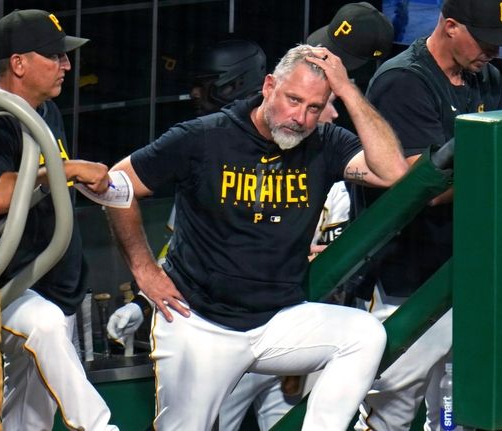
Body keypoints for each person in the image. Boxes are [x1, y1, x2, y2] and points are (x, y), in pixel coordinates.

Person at [105, 44, 409, 430]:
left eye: (314, 107)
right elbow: (117, 185)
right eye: (293, 99)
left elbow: (393, 173)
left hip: (277, 321)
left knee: (365, 335)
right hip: (200, 322)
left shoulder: (325, 143)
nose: (299, 117)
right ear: (268, 86)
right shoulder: (205, 137)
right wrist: (144, 271)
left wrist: (347, 90)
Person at [352, 0, 502, 430]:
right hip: (406, 277)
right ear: (450, 26)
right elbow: (423, 190)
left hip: (464, 269)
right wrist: (492, 176)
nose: (494, 52)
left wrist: (489, 174)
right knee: (391, 404)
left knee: (456, 403)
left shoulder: (487, 79)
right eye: (485, 41)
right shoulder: (403, 82)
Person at [0, 9, 117, 431]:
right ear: (18, 64)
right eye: (54, 57)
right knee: (44, 328)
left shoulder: (46, 111)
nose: (66, 65)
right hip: (8, 289)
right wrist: (68, 169)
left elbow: (47, 182)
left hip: (50, 285)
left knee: (29, 421)